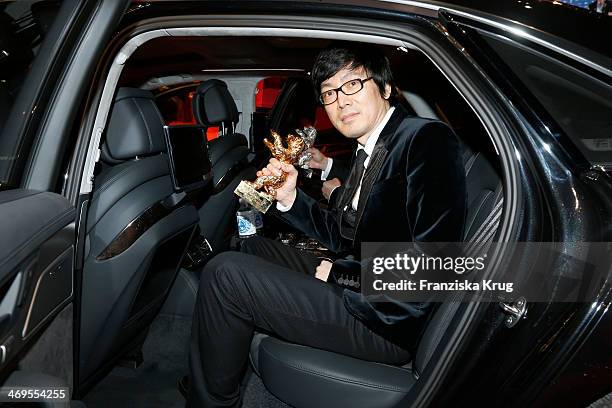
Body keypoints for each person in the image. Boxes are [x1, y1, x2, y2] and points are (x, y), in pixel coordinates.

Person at [187, 43, 467, 407]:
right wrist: (289, 197)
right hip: (363, 288)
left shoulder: (424, 139)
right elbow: (341, 233)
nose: (340, 101)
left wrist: (341, 275)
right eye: (329, 93)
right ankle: (218, 360)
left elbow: (434, 264)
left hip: (384, 319)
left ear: (384, 88)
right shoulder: (367, 148)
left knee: (225, 274)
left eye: (352, 84)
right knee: (252, 245)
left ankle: (211, 401)